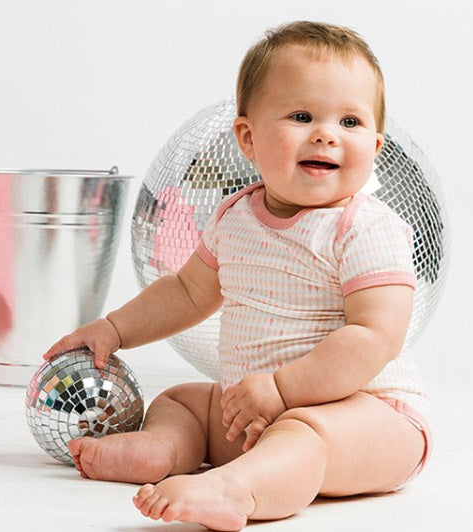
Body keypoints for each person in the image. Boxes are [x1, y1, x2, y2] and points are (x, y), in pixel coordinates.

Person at [43, 20, 432, 531]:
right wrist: (114, 329)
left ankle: (236, 490)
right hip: (255, 411)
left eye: (351, 123)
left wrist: (284, 391)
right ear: (248, 138)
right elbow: (185, 292)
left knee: (303, 433)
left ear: (376, 147)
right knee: (183, 399)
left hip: (370, 419)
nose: (326, 133)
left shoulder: (365, 228)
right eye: (301, 115)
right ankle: (163, 450)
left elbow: (374, 336)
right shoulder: (235, 218)